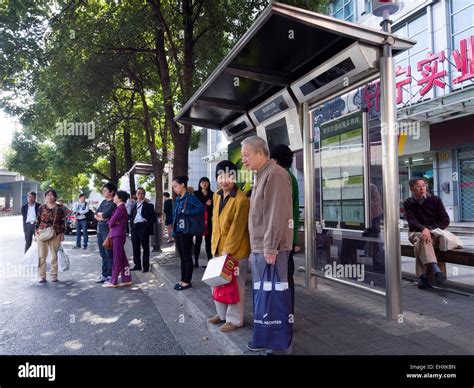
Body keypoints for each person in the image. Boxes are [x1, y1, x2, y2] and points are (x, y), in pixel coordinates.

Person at [241, 136, 293, 354]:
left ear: (261, 153)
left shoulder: (275, 175)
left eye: (246, 155)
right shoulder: (262, 175)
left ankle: (278, 345)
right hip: (261, 248)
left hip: (270, 249)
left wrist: (270, 248)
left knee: (274, 296)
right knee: (265, 296)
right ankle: (265, 338)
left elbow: (276, 214)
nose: (243, 160)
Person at [207, 161, 250, 332]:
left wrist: (227, 252)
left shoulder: (241, 200)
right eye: (221, 176)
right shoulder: (216, 195)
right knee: (217, 283)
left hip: (236, 251)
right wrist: (214, 248)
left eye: (229, 176)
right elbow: (214, 222)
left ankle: (234, 320)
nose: (225, 180)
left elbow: (237, 230)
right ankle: (222, 314)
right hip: (217, 248)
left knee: (236, 286)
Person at [404, 177, 450, 289]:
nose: (422, 188)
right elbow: (412, 221)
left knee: (421, 241)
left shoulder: (435, 200)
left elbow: (445, 220)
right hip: (414, 233)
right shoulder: (408, 203)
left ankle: (422, 277)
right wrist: (423, 230)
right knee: (422, 238)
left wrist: (428, 229)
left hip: (434, 233)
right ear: (411, 189)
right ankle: (436, 270)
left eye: (423, 185)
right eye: (418, 186)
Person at [270, 144, 299, 314]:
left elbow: (279, 210)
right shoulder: (291, 177)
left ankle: (285, 317)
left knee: (283, 279)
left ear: (275, 159)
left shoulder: (281, 177)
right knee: (286, 277)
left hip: (282, 239)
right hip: (289, 236)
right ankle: (287, 315)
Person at [172, 176, 204, 291]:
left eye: (175, 186)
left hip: (187, 231)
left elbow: (201, 208)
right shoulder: (178, 198)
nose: (174, 189)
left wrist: (188, 212)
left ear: (182, 185)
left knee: (187, 256)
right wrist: (174, 231)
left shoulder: (190, 198)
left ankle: (187, 281)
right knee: (182, 257)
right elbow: (176, 216)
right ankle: (182, 279)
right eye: (173, 187)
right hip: (179, 231)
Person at [35, 189, 67, 283]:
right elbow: (38, 219)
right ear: (45, 197)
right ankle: (42, 276)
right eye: (47, 195)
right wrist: (36, 231)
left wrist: (62, 233)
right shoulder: (42, 207)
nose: (49, 197)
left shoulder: (60, 208)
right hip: (42, 233)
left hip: (55, 233)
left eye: (51, 195)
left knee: (54, 256)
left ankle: (54, 275)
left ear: (55, 197)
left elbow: (63, 221)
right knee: (42, 256)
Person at [104, 190, 132, 288]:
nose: (114, 197)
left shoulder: (120, 208)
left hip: (117, 235)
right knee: (122, 258)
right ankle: (127, 279)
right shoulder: (120, 208)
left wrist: (113, 222)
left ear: (119, 198)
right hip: (118, 235)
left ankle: (113, 281)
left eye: (115, 196)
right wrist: (112, 222)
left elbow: (110, 223)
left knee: (117, 258)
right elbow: (110, 221)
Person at [95, 182, 117, 283]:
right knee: (103, 254)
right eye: (103, 190)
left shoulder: (113, 203)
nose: (103, 192)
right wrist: (100, 216)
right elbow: (96, 214)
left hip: (108, 231)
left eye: (105, 190)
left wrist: (101, 216)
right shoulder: (104, 202)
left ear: (111, 192)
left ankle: (110, 275)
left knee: (109, 254)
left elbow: (105, 215)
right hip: (100, 231)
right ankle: (104, 274)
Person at [130, 188, 156, 272]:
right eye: (138, 193)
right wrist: (132, 225)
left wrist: (147, 225)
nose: (140, 195)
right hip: (134, 227)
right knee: (135, 247)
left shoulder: (149, 205)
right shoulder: (133, 204)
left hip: (143, 227)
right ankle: (137, 264)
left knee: (145, 247)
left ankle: (145, 266)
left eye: (141, 193)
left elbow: (153, 218)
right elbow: (131, 216)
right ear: (136, 194)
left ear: (144, 195)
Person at [193, 177, 214, 268]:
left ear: (209, 183)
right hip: (199, 220)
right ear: (200, 183)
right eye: (202, 182)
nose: (204, 184)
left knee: (208, 242)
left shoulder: (213, 194)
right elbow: (194, 206)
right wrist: (206, 203)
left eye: (206, 182)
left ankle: (209, 262)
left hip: (209, 220)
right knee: (198, 241)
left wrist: (211, 204)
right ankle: (196, 262)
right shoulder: (196, 194)